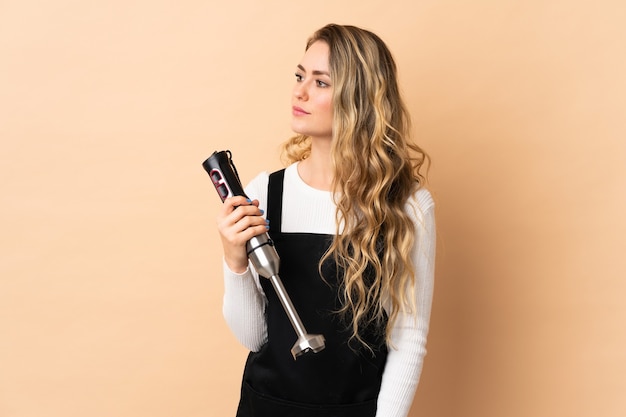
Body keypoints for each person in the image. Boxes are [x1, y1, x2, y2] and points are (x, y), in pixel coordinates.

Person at [216, 23, 436, 417]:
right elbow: (255, 338)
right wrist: (234, 262)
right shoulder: (265, 193)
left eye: (320, 83)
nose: (299, 92)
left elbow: (409, 337)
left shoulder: (408, 207)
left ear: (359, 98)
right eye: (300, 76)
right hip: (266, 407)